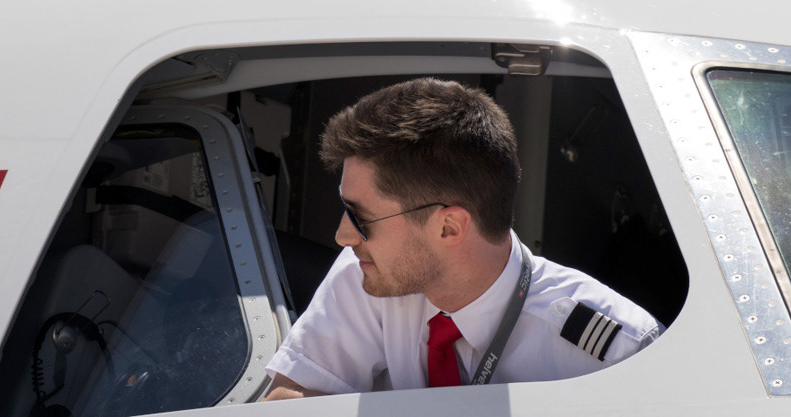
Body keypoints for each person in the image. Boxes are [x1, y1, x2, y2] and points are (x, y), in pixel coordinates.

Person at [263, 78, 661, 400]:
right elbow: (291, 400)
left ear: (449, 227)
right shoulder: (368, 269)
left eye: (361, 217)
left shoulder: (616, 352)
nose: (342, 236)